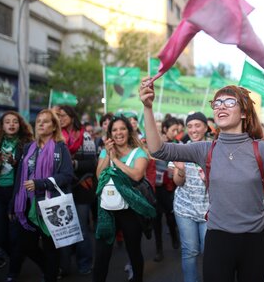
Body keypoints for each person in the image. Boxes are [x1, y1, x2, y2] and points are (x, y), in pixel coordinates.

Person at [140, 78, 264, 282]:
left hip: (254, 240)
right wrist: (147, 108)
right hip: (218, 239)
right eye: (217, 103)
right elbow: (158, 149)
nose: (221, 106)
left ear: (244, 112)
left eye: (229, 102)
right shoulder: (204, 150)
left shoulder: (261, 149)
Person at [12, 109, 74, 282]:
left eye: (45, 121)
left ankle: (50, 276)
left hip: (50, 204)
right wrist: (13, 202)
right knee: (27, 245)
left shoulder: (61, 148)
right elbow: (20, 176)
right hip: (27, 204)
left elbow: (67, 175)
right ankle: (49, 269)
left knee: (50, 248)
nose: (40, 124)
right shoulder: (28, 148)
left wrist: (42, 183)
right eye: (38, 121)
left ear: (54, 127)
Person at [94, 115, 154, 282]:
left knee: (133, 250)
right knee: (101, 254)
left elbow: (136, 175)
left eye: (122, 129)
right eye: (114, 130)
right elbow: (99, 175)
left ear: (128, 131)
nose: (118, 132)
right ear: (110, 133)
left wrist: (115, 160)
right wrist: (108, 155)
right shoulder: (106, 151)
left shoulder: (139, 152)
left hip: (130, 210)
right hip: (108, 209)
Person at [0, 111, 33, 278]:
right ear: (2, 126)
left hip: (17, 193)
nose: (11, 124)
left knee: (15, 237)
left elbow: (32, 170)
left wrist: (16, 162)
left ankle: (13, 271)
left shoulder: (27, 144)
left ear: (20, 125)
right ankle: (16, 258)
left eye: (15, 121)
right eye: (7, 122)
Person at [57, 105, 96, 276]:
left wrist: (73, 164)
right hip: (61, 188)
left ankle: (85, 262)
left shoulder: (85, 136)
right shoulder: (55, 137)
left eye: (63, 115)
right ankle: (63, 266)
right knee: (63, 228)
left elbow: (92, 163)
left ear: (72, 116)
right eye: (57, 116)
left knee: (80, 227)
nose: (60, 118)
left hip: (81, 187)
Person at [171, 112, 210, 282]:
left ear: (206, 127)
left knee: (209, 251)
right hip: (184, 208)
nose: (194, 130)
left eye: (198, 125)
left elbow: (221, 184)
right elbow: (178, 183)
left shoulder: (214, 150)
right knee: (190, 251)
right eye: (190, 126)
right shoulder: (180, 150)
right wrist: (180, 169)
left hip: (209, 210)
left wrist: (208, 178)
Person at [152, 116, 181, 262]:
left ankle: (175, 238)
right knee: (156, 219)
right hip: (156, 187)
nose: (176, 132)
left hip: (170, 187)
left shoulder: (178, 144)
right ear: (164, 129)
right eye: (173, 130)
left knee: (170, 217)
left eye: (177, 130)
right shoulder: (155, 143)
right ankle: (159, 250)